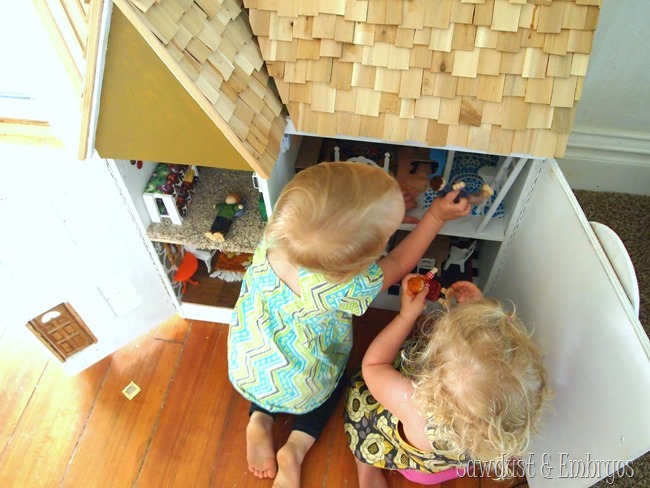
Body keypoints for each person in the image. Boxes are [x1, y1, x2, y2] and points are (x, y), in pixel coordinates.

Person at [227, 162, 471, 487]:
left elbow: (333, 212)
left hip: (248, 365)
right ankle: (295, 449)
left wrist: (377, 207)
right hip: (304, 387)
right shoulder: (350, 286)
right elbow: (398, 262)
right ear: (364, 262)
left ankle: (259, 416)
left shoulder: (274, 237)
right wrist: (435, 217)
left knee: (275, 367)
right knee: (333, 383)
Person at [344, 276, 550, 488]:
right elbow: (485, 373)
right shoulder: (495, 430)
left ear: (434, 374)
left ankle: (366, 468)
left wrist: (405, 317)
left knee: (362, 406)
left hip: (403, 459)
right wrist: (475, 310)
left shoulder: (413, 403)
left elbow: (374, 366)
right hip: (438, 469)